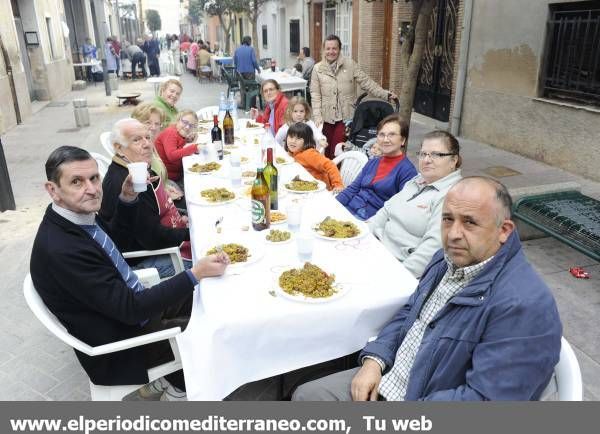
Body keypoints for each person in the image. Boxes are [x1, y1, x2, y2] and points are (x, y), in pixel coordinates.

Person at [294, 176, 562, 401]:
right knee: (306, 395)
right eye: (448, 219)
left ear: (504, 230)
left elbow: (486, 400)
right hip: (389, 379)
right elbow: (409, 313)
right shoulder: (447, 259)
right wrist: (375, 361)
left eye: (469, 222)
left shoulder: (525, 305)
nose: (453, 234)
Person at [30, 146, 230, 401]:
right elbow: (132, 310)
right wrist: (194, 274)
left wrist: (127, 198)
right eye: (77, 182)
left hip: (128, 306)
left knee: (213, 296)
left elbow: (118, 244)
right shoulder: (62, 250)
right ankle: (179, 388)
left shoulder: (75, 216)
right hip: (122, 345)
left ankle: (167, 383)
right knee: (213, 327)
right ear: (52, 190)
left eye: (94, 178)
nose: (91, 189)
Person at [99, 119, 191, 276]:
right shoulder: (127, 182)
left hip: (160, 241)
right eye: (136, 140)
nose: (147, 144)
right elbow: (151, 237)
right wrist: (191, 233)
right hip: (144, 261)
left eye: (147, 137)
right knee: (209, 256)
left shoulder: (137, 169)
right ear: (119, 148)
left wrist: (180, 216)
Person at [368, 130, 463, 278]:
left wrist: (398, 276)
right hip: (375, 249)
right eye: (423, 154)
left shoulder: (452, 195)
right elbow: (386, 210)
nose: (426, 160)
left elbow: (432, 247)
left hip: (397, 267)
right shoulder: (417, 180)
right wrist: (361, 234)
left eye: (436, 154)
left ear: (453, 160)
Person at [310, 35, 397, 159]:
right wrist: (317, 116)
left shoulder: (350, 64)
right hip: (325, 117)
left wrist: (385, 94)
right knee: (325, 149)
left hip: (346, 117)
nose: (331, 52)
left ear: (339, 49)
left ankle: (340, 175)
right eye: (328, 48)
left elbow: (366, 82)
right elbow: (315, 94)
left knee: (339, 149)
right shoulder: (317, 69)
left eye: (334, 48)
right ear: (324, 50)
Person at [336, 115, 417, 220]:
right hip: (348, 210)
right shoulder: (372, 162)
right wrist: (333, 206)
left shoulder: (407, 172)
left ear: (403, 140)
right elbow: (351, 190)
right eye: (382, 135)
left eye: (392, 135)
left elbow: (399, 211)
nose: (385, 139)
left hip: (370, 222)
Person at [284, 123, 343, 192]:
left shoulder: (309, 154)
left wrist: (338, 184)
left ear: (306, 141)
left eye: (298, 139)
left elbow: (330, 165)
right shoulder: (293, 152)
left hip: (319, 191)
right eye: (291, 137)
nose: (293, 141)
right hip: (303, 186)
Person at [154, 110, 202, 184]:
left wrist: (187, 141)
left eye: (192, 126)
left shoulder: (178, 133)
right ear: (178, 120)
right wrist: (194, 147)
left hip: (177, 174)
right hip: (169, 179)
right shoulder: (171, 133)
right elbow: (172, 155)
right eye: (185, 122)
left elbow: (177, 146)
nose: (187, 127)